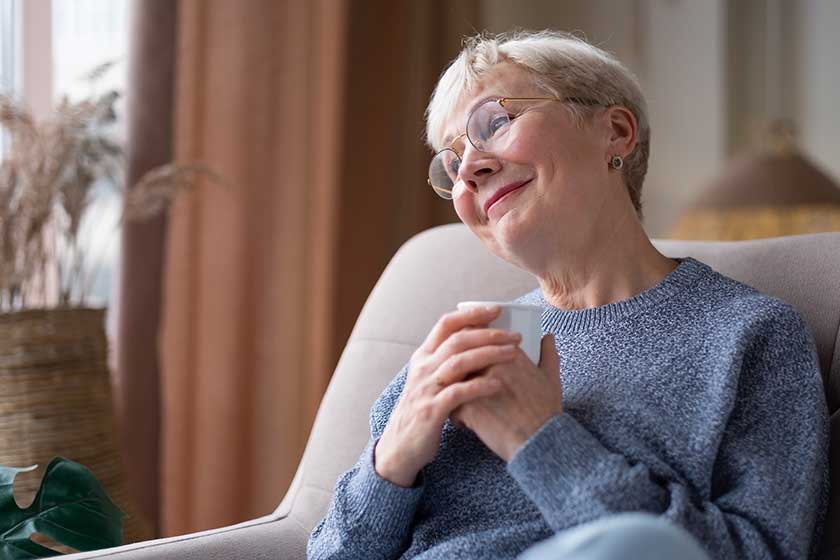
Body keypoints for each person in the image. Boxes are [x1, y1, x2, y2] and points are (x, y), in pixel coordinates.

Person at [306, 30, 829, 560]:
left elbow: (763, 551)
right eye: (452, 160)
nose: (469, 170)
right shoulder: (456, 352)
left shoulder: (748, 334)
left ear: (616, 132)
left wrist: (538, 438)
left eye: (496, 123)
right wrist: (390, 462)